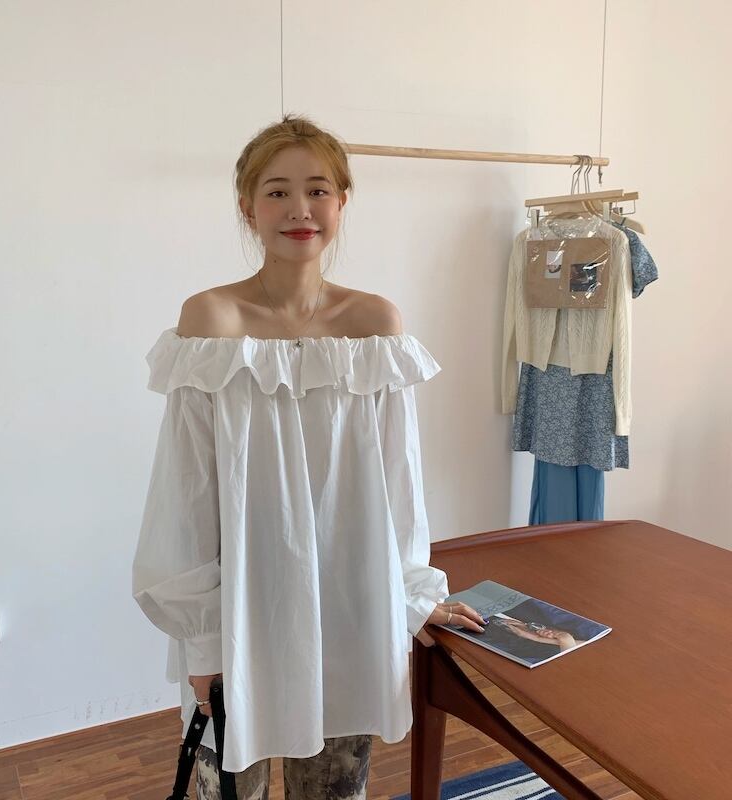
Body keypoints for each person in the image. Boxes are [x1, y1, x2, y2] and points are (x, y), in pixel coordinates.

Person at [131, 114, 485, 799]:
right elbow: (186, 493)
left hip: (348, 607)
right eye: (277, 192)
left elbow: (398, 481)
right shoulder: (210, 323)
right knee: (227, 788)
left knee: (335, 790)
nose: (300, 209)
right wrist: (203, 642)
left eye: (318, 190)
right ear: (247, 207)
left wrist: (413, 594)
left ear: (342, 201)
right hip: (242, 611)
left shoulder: (375, 327)